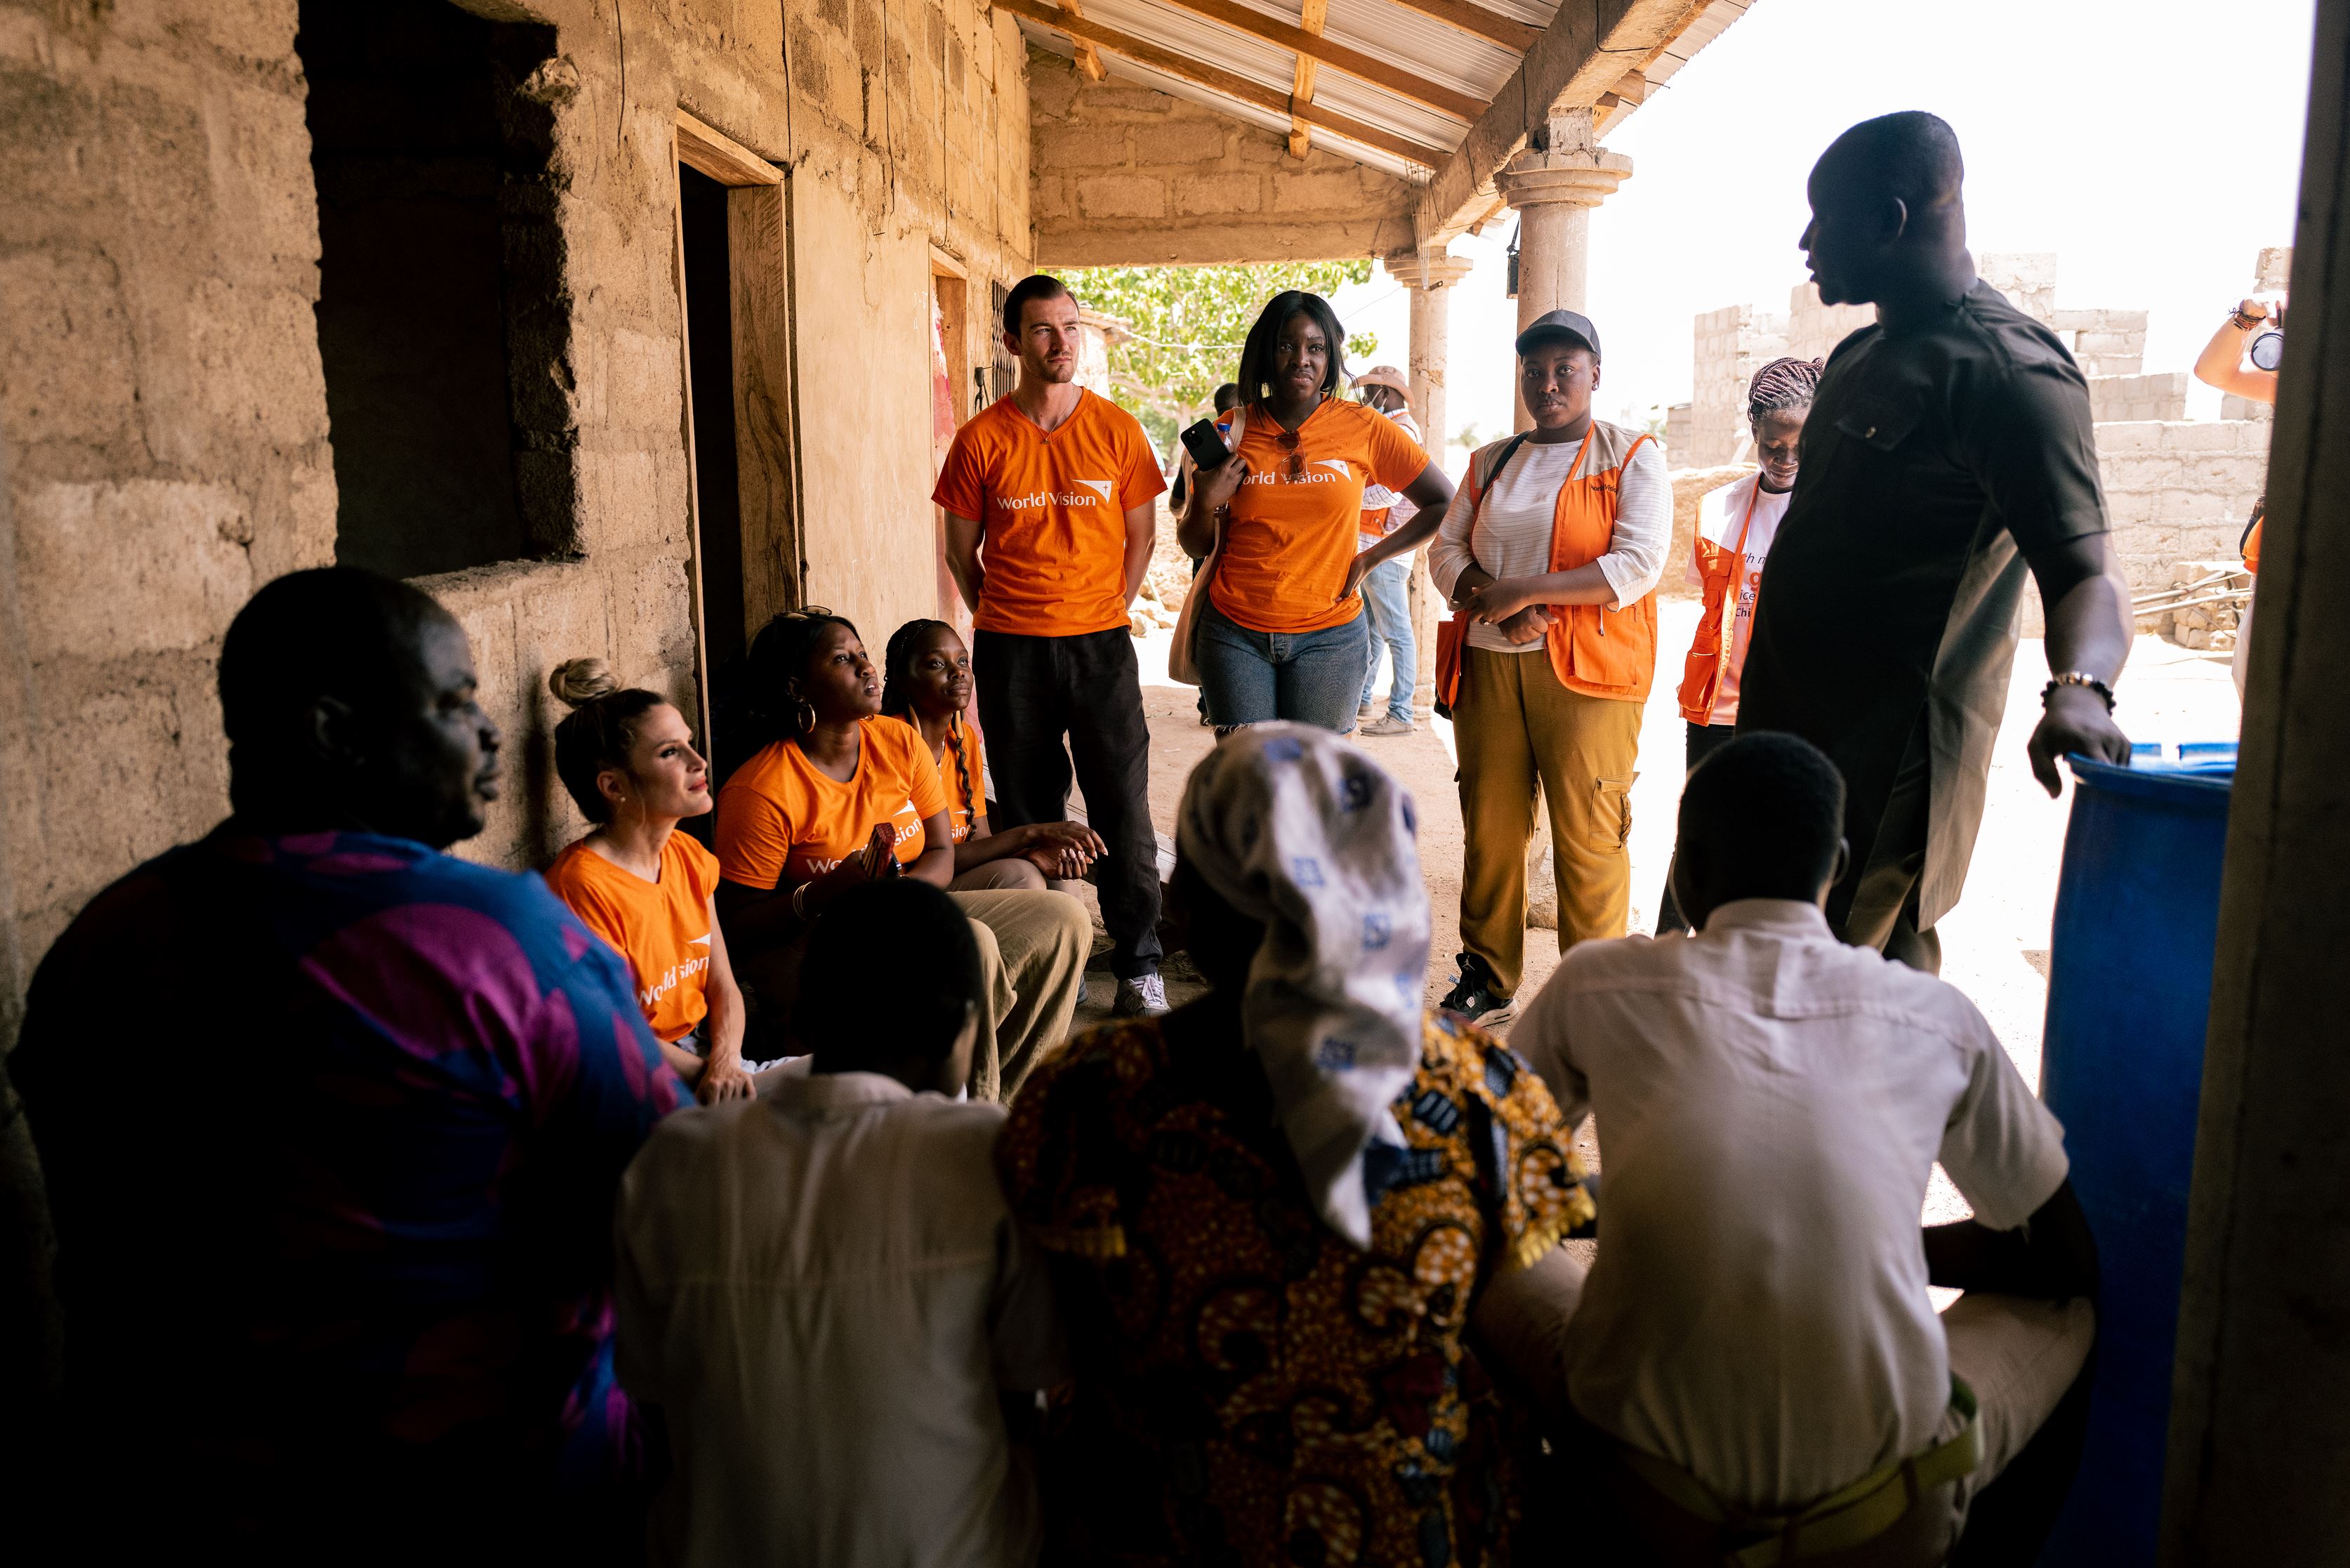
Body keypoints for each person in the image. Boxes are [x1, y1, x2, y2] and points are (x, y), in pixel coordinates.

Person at [9, 568, 680, 1562]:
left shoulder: (103, 943)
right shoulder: (506, 943)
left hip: (169, 1500)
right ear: (335, 733)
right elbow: (658, 1200)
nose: (490, 734)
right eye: (454, 705)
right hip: (481, 1490)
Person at [995, 724, 1595, 1566]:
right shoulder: (1477, 1092)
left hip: (1165, 1532)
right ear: (1381, 891)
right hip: (1422, 1536)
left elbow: (1041, 1351)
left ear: (1183, 908)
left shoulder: (1093, 1096)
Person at [1512, 732, 2099, 1566]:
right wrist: (1877, 1249)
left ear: (1685, 867)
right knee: (2068, 1310)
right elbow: (2061, 1257)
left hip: (1641, 1500)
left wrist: (1647, 1218)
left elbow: (1472, 1173)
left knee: (1472, 1245)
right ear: (1838, 866)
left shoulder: (1598, 983)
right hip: (1879, 1517)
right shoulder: (1932, 1017)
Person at [1737, 112, 2132, 975]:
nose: (1805, 242)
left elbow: (2085, 570)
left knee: (1807, 992)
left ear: (1889, 219)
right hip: (1793, 735)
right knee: (1872, 989)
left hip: (1885, 767)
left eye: (1825, 217)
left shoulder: (2007, 375)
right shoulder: (1855, 356)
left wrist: (2079, 689)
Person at [615, 878, 1064, 1568]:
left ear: (801, 1023)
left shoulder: (673, 1160)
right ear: (966, 1030)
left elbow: (654, 1399)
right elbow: (1018, 1394)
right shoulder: (987, 1156)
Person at [713, 608, 1089, 1099]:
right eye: (843, 660)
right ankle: (962, 1117)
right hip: (813, 942)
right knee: (965, 944)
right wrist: (826, 891)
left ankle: (1001, 1100)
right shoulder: (762, 789)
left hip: (894, 913)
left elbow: (940, 849)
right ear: (797, 688)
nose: (866, 668)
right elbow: (738, 926)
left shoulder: (895, 741)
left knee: (1063, 918)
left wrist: (901, 900)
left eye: (863, 654)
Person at [933, 272, 1170, 1017]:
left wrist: (1105, 609)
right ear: (1012, 343)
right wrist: (1001, 616)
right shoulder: (980, 440)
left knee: (1120, 810)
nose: (1059, 342)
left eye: (1068, 328)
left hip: (1099, 646)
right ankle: (1049, 966)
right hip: (1010, 653)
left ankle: (1138, 965)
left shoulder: (1117, 431)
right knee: (1030, 813)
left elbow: (1141, 538)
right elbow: (959, 554)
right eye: (1041, 330)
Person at [1427, 308, 1671, 1027]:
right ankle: (1487, 975)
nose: (1547, 383)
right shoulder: (1491, 461)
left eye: (1565, 369)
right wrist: (1495, 605)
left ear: (1595, 374)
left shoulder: (1629, 455)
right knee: (1491, 826)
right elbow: (1445, 552)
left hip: (1588, 675)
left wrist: (1528, 592)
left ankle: (1590, 996)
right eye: (1534, 370)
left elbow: (1636, 562)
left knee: (1589, 830)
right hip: (1488, 665)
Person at [1178, 291, 1456, 734]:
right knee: (1250, 785)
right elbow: (1194, 544)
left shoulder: (1364, 427)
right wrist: (1205, 499)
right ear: (1266, 354)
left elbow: (1443, 502)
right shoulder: (1231, 429)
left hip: (1330, 637)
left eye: (1315, 347)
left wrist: (1371, 558)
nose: (1300, 360)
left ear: (1330, 357)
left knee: (1318, 785)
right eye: (1285, 346)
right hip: (1235, 632)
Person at [1654, 356, 1823, 935]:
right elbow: (1711, 603)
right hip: (1717, 707)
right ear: (1752, 432)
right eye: (1771, 446)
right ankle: (1671, 958)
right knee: (1700, 836)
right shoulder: (1718, 508)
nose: (1784, 459)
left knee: (1788, 843)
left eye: (1797, 447)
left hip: (1799, 710)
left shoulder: (1831, 509)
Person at [542, 659, 754, 1102]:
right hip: (637, 1079)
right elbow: (614, 1032)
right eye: (669, 752)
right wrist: (713, 1081)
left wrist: (725, 1066)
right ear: (614, 787)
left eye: (689, 744)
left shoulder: (688, 856)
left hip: (711, 1060)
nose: (698, 762)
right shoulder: (581, 885)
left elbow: (723, 987)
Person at [880, 618, 1108, 890]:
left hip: (957, 871)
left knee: (1057, 880)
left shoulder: (962, 739)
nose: (958, 672)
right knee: (1024, 877)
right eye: (937, 664)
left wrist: (1030, 852)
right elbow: (917, 855)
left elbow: (979, 840)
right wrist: (1030, 834)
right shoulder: (888, 741)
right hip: (910, 886)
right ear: (901, 679)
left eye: (963, 661)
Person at [2190, 294, 2282, 701]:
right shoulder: (2310, 387)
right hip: (2284, 567)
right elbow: (2214, 372)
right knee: (2256, 686)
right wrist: (2248, 318)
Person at [1352, 363, 1426, 737]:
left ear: (1387, 393)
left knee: (1396, 632)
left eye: (1371, 392)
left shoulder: (1400, 430)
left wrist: (1346, 498)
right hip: (1378, 543)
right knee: (1374, 630)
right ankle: (1363, 699)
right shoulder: (1397, 427)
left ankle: (1401, 712)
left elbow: (1392, 490)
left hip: (1384, 546)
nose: (1366, 398)